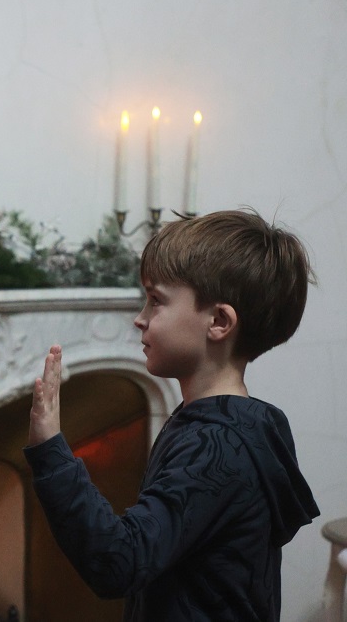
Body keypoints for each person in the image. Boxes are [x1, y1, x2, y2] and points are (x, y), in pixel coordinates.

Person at [24, 210, 320, 620]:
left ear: (218, 321)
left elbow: (118, 562)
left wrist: (50, 452)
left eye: (156, 300)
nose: (140, 318)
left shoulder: (217, 446)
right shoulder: (217, 426)